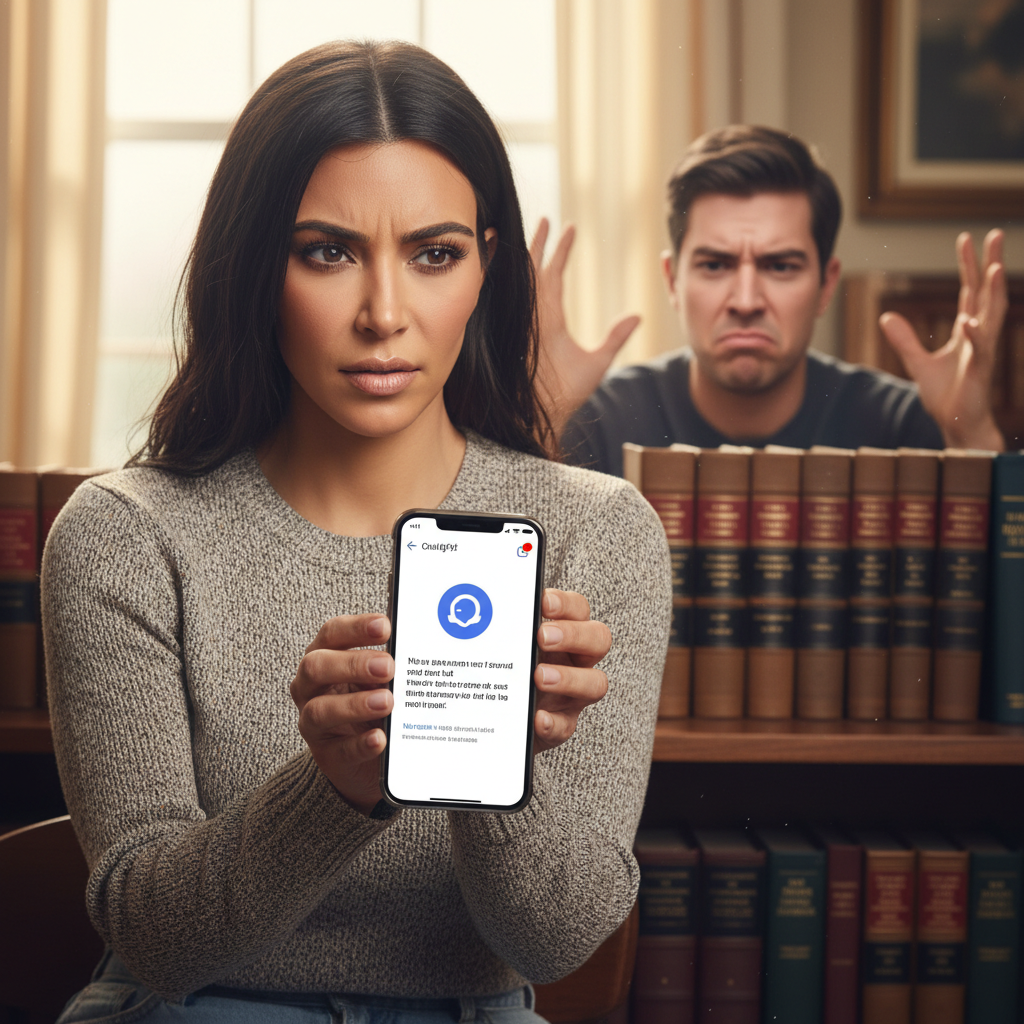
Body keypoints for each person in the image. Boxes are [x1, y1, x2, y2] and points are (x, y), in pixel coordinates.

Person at [41, 41, 671, 1020]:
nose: (384, 314)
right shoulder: (127, 533)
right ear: (255, 267)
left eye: (434, 254)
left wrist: (485, 760)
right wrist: (334, 787)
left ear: (485, 266)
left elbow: (555, 941)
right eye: (327, 252)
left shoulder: (597, 532)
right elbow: (154, 936)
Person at [533, 125, 1008, 477]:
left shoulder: (907, 426)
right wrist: (539, 419)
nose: (745, 301)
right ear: (673, 281)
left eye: (780, 266)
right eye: (715, 265)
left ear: (826, 285)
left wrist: (972, 434)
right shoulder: (594, 420)